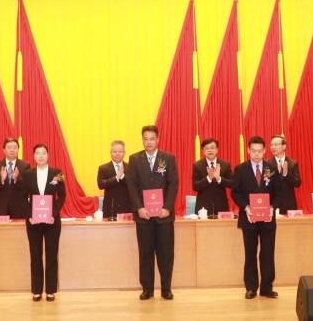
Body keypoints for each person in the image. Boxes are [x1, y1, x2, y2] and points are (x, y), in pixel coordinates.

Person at [126, 125, 179, 301]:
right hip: (144, 216)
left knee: (166, 253)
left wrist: (168, 207)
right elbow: (132, 185)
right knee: (145, 252)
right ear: (142, 140)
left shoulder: (168, 158)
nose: (149, 142)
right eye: (145, 139)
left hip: (164, 215)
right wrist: (139, 207)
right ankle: (147, 289)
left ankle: (166, 288)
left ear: (157, 139)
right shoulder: (134, 159)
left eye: (152, 139)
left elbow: (173, 183)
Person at [231, 136, 282, 299]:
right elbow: (235, 192)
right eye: (253, 151)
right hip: (249, 218)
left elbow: (279, 193)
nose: (256, 154)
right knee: (250, 253)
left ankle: (267, 287)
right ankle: (251, 288)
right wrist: (246, 207)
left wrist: (272, 207)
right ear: (248, 150)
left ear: (265, 151)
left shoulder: (271, 168)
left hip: (267, 219)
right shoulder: (240, 169)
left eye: (260, 151)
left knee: (267, 254)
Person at [22, 144, 66, 302]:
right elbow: (22, 197)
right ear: (34, 156)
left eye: (44, 153)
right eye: (37, 153)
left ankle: (51, 290)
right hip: (33, 222)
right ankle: (36, 290)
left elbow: (62, 195)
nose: (41, 156)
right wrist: (30, 216)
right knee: (35, 256)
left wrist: (54, 214)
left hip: (52, 221)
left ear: (48, 155)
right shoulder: (27, 174)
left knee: (51, 255)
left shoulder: (57, 173)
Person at [0, 138, 30, 219]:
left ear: (18, 149)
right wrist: (1, 179)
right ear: (4, 150)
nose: (12, 150)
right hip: (0, 207)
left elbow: (28, 187)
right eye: (9, 147)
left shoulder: (25, 165)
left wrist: (17, 178)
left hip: (19, 208)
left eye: (15, 147)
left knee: (19, 227)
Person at [192, 138, 233, 215]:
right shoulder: (197, 165)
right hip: (203, 207)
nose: (210, 150)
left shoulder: (225, 164)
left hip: (221, 205)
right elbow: (195, 186)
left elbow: (232, 184)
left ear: (217, 149)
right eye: (207, 148)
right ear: (203, 151)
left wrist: (219, 178)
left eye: (212, 147)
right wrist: (208, 178)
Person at [96, 140, 132, 219]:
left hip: (127, 208)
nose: (117, 154)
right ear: (110, 152)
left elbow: (133, 184)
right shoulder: (103, 168)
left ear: (124, 153)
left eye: (120, 151)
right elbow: (100, 184)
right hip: (110, 208)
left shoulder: (130, 167)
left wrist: (122, 176)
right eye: (114, 151)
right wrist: (116, 178)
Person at [267, 135, 301, 214]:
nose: (273, 147)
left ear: (284, 146)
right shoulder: (267, 163)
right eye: (271, 145)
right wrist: (275, 174)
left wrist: (286, 173)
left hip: (289, 204)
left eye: (276, 144)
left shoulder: (292, 163)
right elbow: (265, 183)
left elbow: (298, 183)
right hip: (272, 204)